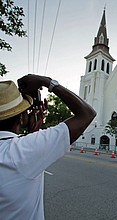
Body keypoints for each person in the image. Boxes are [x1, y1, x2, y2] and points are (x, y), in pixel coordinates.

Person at [0, 74, 96, 220]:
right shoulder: (21, 151)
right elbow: (87, 114)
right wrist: (47, 82)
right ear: (20, 118)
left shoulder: (19, 150)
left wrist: (32, 133)